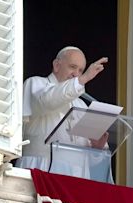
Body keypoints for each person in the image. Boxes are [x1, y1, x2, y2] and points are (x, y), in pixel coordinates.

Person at [15, 46, 110, 180]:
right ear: (57, 65)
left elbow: (92, 161)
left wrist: (97, 148)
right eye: (72, 67)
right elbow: (48, 101)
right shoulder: (36, 84)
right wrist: (83, 79)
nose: (76, 74)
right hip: (40, 171)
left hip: (76, 178)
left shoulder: (81, 105)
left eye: (81, 70)